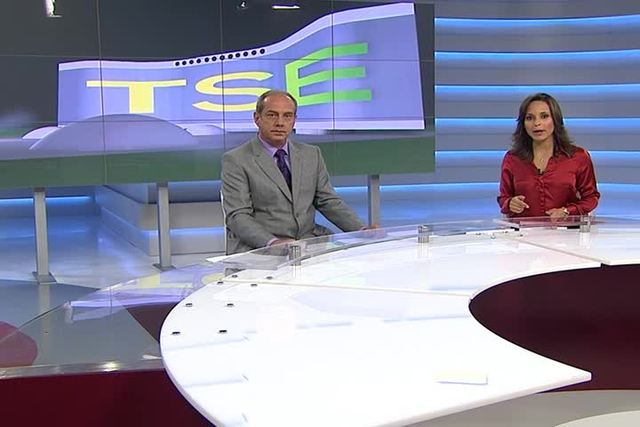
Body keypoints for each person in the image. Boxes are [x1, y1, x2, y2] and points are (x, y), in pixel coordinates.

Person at [221, 89, 372, 254]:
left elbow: (328, 201)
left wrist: (361, 230)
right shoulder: (237, 160)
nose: (280, 123)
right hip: (261, 248)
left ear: (294, 120)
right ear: (257, 118)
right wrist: (273, 242)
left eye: (287, 116)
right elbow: (238, 216)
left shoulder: (311, 154)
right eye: (272, 115)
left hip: (307, 243)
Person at [498, 92, 600, 218]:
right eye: (530, 118)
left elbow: (591, 198)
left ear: (555, 120)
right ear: (523, 124)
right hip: (523, 229)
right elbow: (503, 198)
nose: (537, 123)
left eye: (544, 116)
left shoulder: (578, 157)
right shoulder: (512, 159)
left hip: (565, 229)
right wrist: (510, 203)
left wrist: (567, 211)